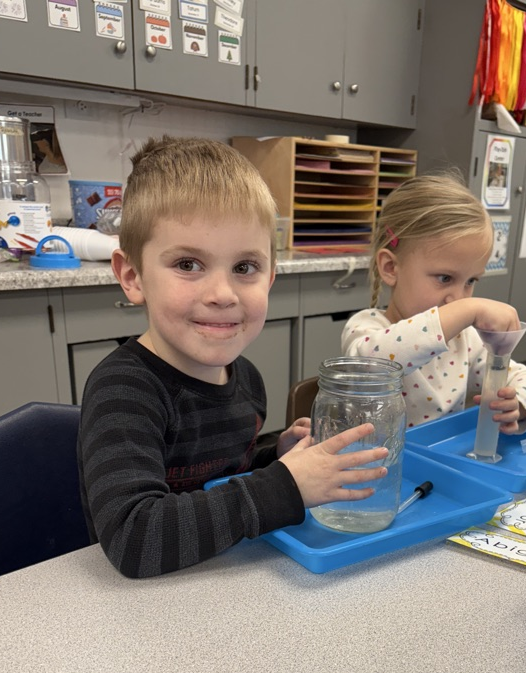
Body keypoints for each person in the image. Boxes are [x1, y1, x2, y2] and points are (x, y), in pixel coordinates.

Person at [77, 136, 388, 578]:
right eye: (188, 264)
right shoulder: (124, 390)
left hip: (225, 584)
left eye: (245, 267)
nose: (222, 295)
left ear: (270, 277)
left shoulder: (246, 378)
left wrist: (274, 460)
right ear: (132, 276)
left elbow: (222, 481)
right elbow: (133, 538)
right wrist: (286, 485)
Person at [342, 172, 526, 430]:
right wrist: (468, 309)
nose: (459, 298)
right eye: (444, 278)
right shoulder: (366, 329)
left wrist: (519, 403)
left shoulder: (464, 341)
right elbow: (376, 366)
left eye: (471, 281)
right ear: (391, 267)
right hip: (378, 466)